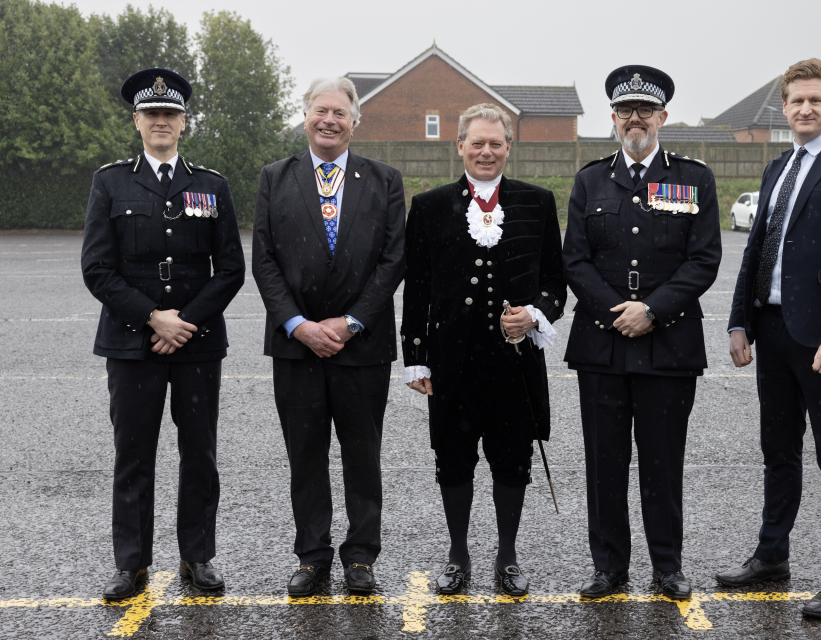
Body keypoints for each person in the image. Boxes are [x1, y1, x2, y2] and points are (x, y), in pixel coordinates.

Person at [719, 59, 821, 619]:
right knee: (778, 454)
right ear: (784, 108)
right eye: (796, 101)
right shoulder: (777, 167)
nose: (805, 109)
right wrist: (739, 321)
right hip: (772, 331)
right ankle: (772, 557)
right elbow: (756, 250)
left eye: (816, 100)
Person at [80, 68, 246, 600]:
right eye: (151, 114)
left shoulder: (211, 184)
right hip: (132, 343)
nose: (161, 122)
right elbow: (97, 268)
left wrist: (185, 322)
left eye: (170, 115)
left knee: (200, 452)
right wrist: (154, 317)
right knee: (133, 453)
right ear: (137, 121)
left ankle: (197, 557)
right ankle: (131, 563)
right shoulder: (110, 181)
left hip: (196, 344)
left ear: (183, 124)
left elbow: (230, 269)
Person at [562, 66, 722, 600]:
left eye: (645, 111)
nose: (636, 119)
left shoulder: (693, 178)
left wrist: (651, 310)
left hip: (668, 344)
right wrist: (616, 310)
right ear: (613, 119)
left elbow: (704, 260)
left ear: (662, 118)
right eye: (626, 110)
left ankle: (667, 567)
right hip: (602, 346)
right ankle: (608, 568)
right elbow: (576, 261)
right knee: (604, 464)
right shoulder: (590, 180)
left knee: (662, 461)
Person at [402, 103, 566, 597]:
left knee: (512, 460)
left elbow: (555, 284)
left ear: (509, 147)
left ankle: (508, 557)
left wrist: (535, 314)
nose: (487, 151)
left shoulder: (538, 202)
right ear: (460, 146)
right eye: (477, 143)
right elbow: (417, 289)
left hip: (514, 363)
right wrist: (415, 356)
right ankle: (458, 556)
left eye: (496, 143)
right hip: (451, 363)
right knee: (452, 460)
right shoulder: (429, 206)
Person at [252, 77, 405, 596]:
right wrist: (299, 325)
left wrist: (350, 321)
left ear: (354, 121)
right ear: (305, 115)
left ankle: (360, 557)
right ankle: (312, 556)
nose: (329, 121)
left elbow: (392, 261)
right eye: (321, 111)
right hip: (296, 348)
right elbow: (265, 260)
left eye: (340, 113)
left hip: (361, 346)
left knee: (363, 456)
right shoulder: (275, 178)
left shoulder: (384, 180)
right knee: (306, 457)